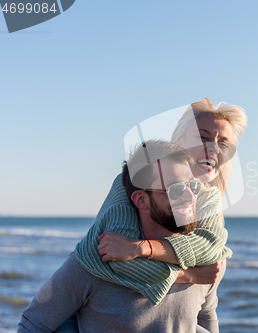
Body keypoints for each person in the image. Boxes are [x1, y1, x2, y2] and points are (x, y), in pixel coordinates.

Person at [18, 141, 225, 333]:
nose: (190, 197)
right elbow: (32, 325)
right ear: (141, 199)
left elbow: (205, 316)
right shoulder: (96, 261)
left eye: (192, 185)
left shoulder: (201, 264)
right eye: (176, 189)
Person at [73, 98, 247, 306]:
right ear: (180, 141)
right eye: (202, 137)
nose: (214, 148)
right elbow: (117, 257)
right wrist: (190, 275)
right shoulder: (136, 181)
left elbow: (209, 251)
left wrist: (142, 248)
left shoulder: (209, 197)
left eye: (223, 143)